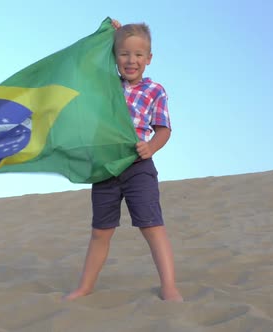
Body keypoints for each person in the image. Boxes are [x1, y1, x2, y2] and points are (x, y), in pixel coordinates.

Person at [64, 19, 183, 301]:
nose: (131, 60)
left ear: (149, 59)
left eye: (138, 55)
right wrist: (108, 37)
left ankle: (169, 286)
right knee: (100, 232)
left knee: (152, 226)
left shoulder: (155, 91)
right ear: (115, 57)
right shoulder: (106, 85)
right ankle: (85, 286)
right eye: (124, 53)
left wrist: (151, 147)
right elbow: (84, 67)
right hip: (105, 169)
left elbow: (164, 129)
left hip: (138, 168)